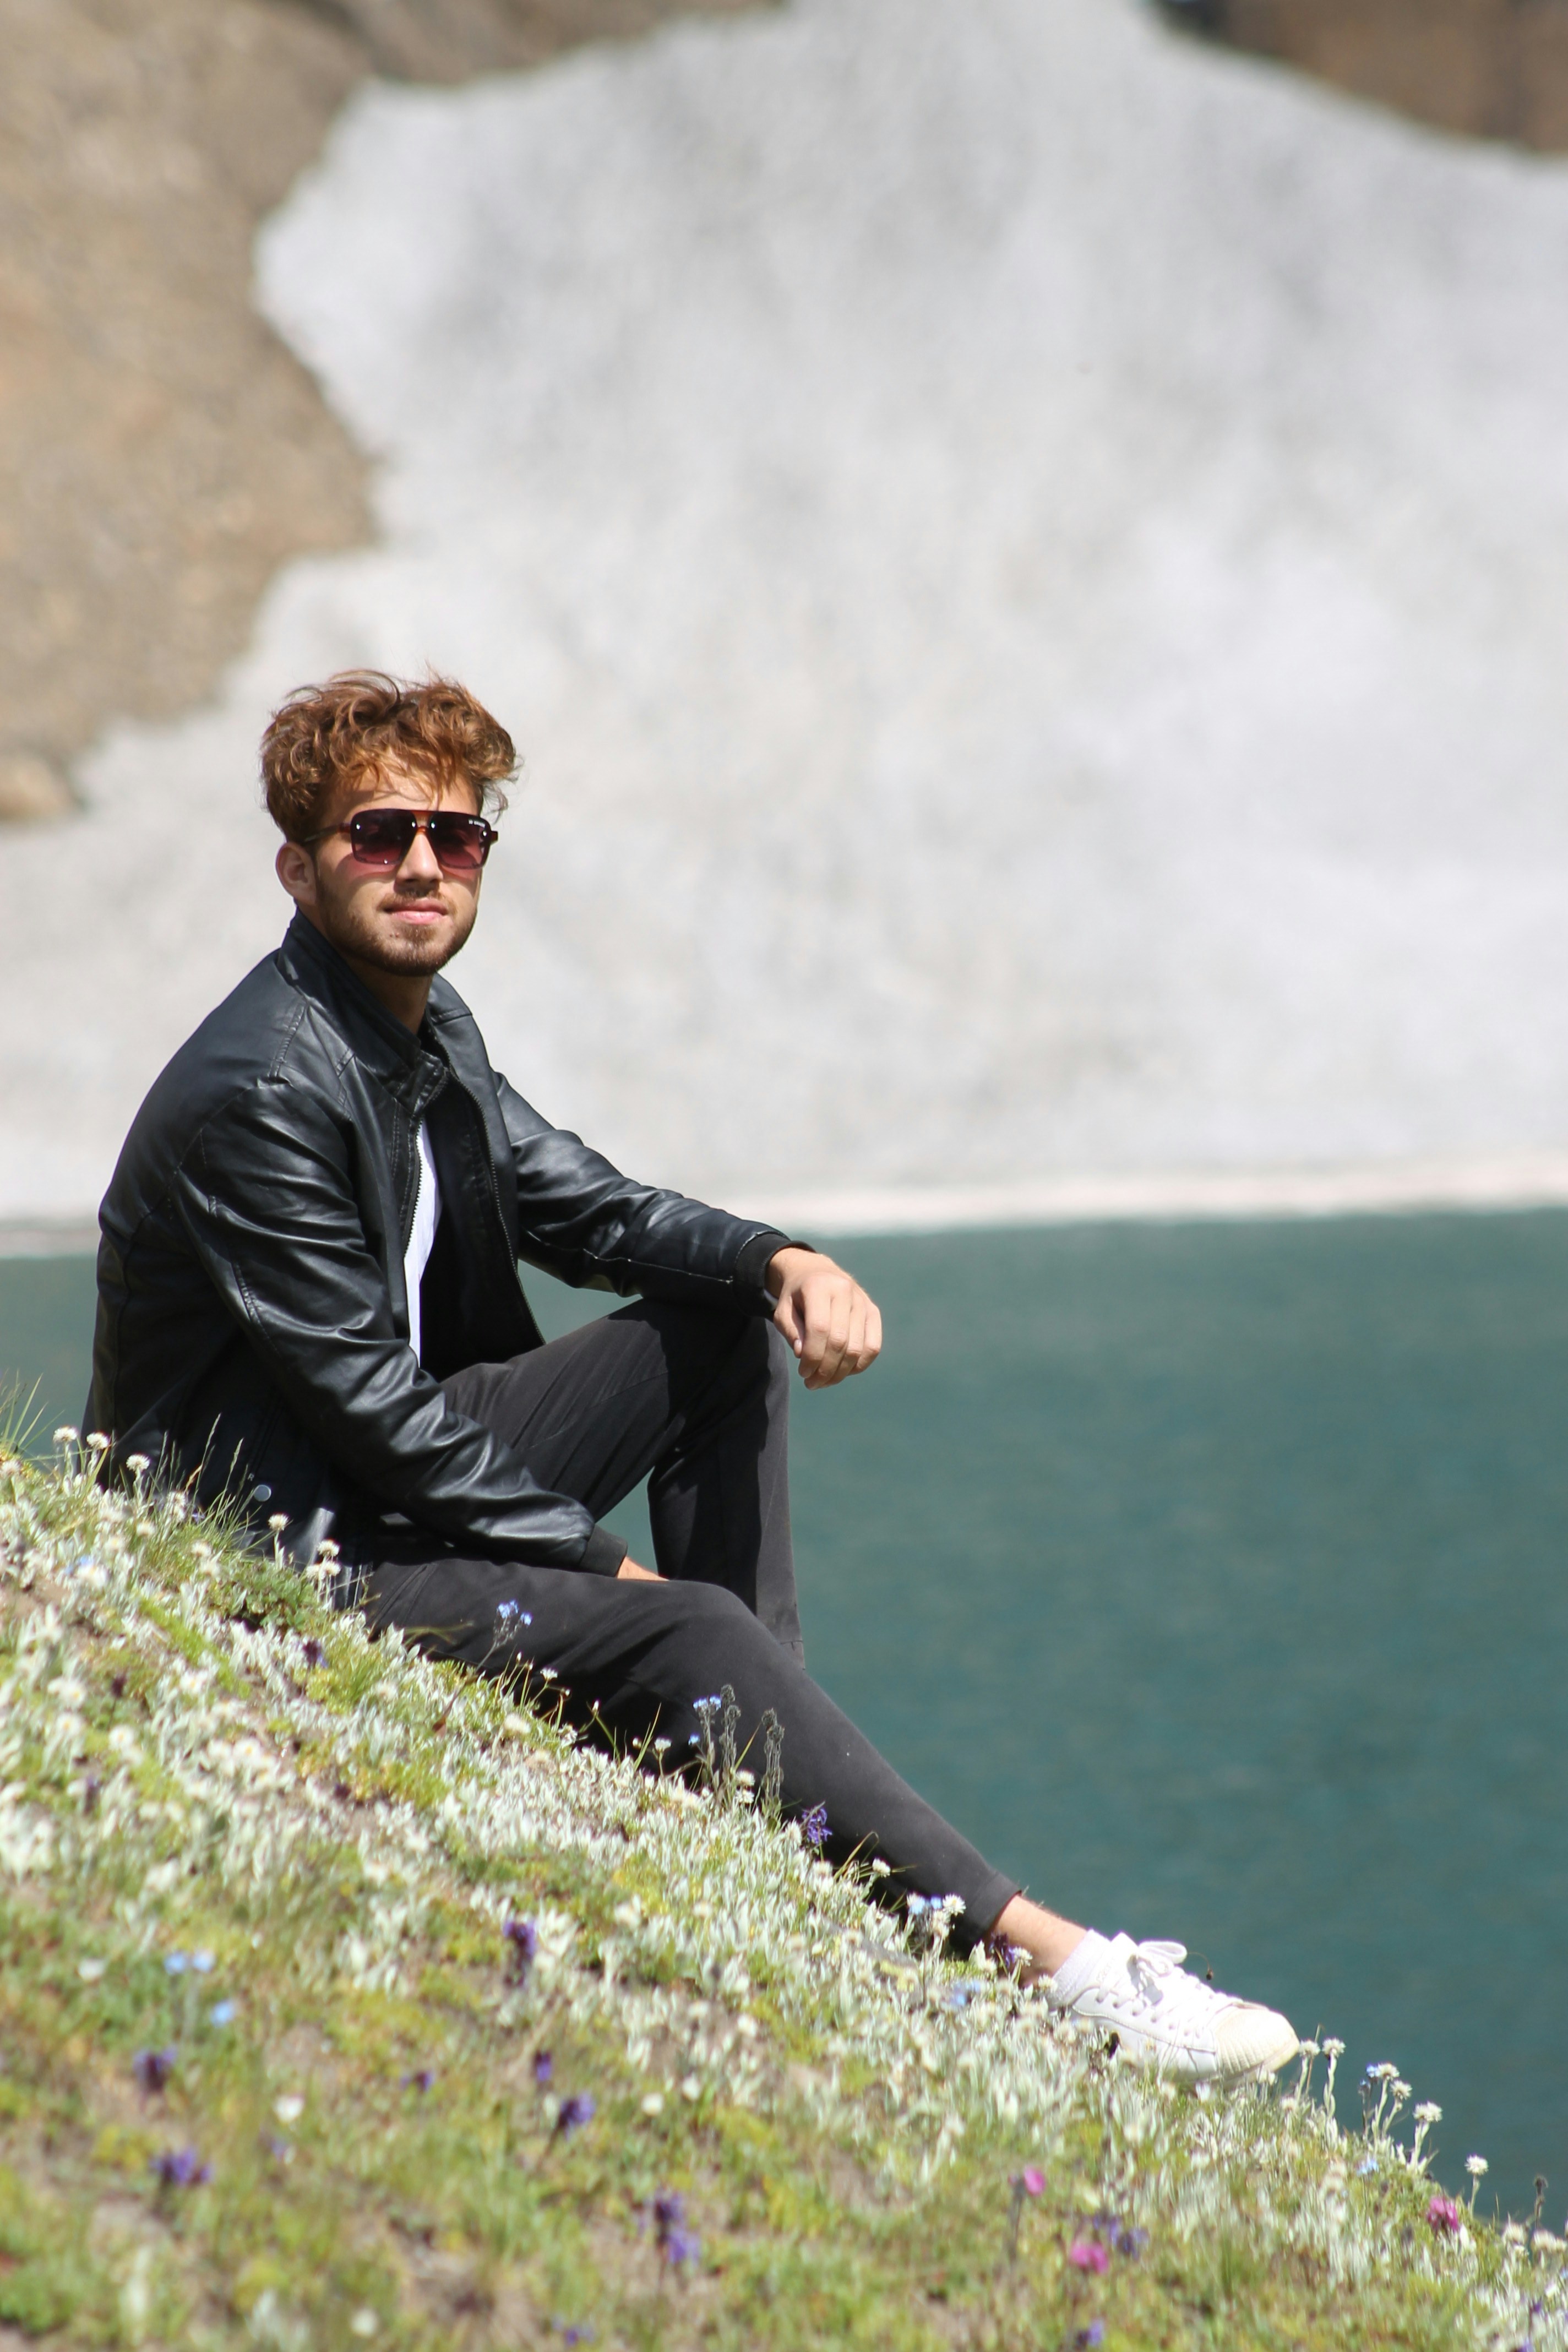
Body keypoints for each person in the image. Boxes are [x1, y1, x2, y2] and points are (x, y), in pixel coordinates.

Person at [88, 671, 1297, 2085]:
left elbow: (585, 1205)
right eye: (378, 834)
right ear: (299, 869)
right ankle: (1061, 1966)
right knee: (685, 1629)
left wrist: (775, 1257)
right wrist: (599, 1565)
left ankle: (768, 1795)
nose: (422, 864)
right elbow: (370, 1408)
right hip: (267, 1549)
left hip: (359, 1478)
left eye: (455, 834)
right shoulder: (264, 1087)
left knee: (718, 1332)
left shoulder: (419, 1030)